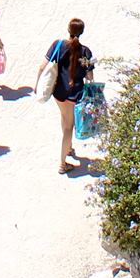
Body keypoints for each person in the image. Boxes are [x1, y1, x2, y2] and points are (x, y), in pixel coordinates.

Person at [38, 17, 95, 173]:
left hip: (59, 92)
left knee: (65, 119)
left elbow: (42, 66)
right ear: (82, 32)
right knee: (69, 126)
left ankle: (68, 147)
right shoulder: (85, 51)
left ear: (68, 30)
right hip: (74, 94)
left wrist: (36, 84)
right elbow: (90, 77)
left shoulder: (58, 45)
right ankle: (62, 164)